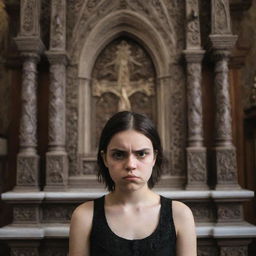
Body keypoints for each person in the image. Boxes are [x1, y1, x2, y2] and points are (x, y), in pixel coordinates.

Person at [69, 111, 197, 256]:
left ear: (154, 157)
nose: (130, 165)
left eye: (141, 154)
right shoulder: (84, 216)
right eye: (118, 154)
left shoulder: (180, 215)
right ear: (105, 158)